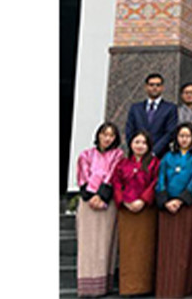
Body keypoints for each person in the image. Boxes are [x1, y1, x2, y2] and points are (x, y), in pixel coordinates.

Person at [154, 123, 192, 298]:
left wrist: (181, 200)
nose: (184, 139)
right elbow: (160, 180)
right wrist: (166, 200)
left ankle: (182, 288)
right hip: (167, 208)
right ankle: (165, 288)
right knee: (166, 249)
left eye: (188, 136)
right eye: (181, 136)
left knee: (184, 248)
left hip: (186, 207)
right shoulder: (167, 157)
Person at [75, 123, 123, 297]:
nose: (107, 138)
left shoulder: (118, 155)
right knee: (87, 244)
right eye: (104, 134)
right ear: (98, 135)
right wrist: (91, 196)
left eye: (111, 135)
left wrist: (102, 195)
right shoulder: (85, 155)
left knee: (104, 243)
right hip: (88, 204)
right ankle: (87, 286)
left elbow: (112, 175)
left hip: (107, 203)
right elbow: (82, 176)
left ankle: (102, 286)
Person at [111, 131, 160, 296]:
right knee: (128, 250)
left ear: (148, 146)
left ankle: (144, 286)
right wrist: (124, 200)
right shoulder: (122, 164)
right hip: (126, 212)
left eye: (143, 143)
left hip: (145, 211)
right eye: (136, 142)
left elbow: (155, 183)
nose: (140, 146)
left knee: (144, 249)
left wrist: (143, 200)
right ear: (130, 144)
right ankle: (128, 286)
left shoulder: (154, 163)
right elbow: (116, 183)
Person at [126, 73, 178, 157]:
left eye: (158, 85)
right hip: (136, 156)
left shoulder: (170, 108)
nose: (154, 87)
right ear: (146, 87)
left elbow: (170, 133)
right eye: (151, 85)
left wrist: (154, 152)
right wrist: (137, 148)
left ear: (162, 88)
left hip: (160, 155)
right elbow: (129, 131)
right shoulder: (135, 108)